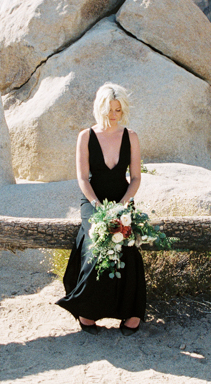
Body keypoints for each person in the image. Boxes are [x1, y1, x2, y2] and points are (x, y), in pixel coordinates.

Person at [56, 83, 145, 336]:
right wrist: (98, 208)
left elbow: (136, 178)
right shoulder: (85, 136)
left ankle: (132, 314)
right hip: (93, 201)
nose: (114, 114)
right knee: (97, 247)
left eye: (118, 109)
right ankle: (87, 313)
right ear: (100, 108)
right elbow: (83, 178)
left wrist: (122, 205)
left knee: (127, 249)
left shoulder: (132, 137)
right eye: (109, 109)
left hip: (122, 199)